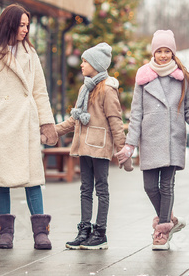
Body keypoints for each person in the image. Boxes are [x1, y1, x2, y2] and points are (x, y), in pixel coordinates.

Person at [0, 3, 58, 250]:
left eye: (27, 26)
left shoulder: (30, 53)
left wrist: (47, 122)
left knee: (33, 178)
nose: (26, 30)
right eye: (21, 25)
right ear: (10, 24)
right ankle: (4, 233)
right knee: (0, 178)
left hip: (25, 124)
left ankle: (41, 233)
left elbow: (40, 91)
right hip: (0, 123)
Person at [115, 30, 189, 250]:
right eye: (159, 51)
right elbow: (136, 113)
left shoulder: (182, 78)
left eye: (167, 51)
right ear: (154, 52)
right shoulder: (143, 77)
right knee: (150, 187)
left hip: (172, 138)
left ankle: (161, 232)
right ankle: (170, 219)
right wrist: (130, 144)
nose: (163, 55)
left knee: (166, 186)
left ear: (172, 52)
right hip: (149, 139)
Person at [55, 42, 132, 250]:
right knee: (85, 189)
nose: (81, 65)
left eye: (85, 61)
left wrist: (123, 150)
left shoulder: (107, 89)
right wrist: (54, 130)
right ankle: (84, 230)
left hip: (99, 147)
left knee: (102, 189)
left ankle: (100, 232)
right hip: (83, 147)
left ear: (96, 64)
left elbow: (115, 121)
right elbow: (76, 119)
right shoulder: (85, 87)